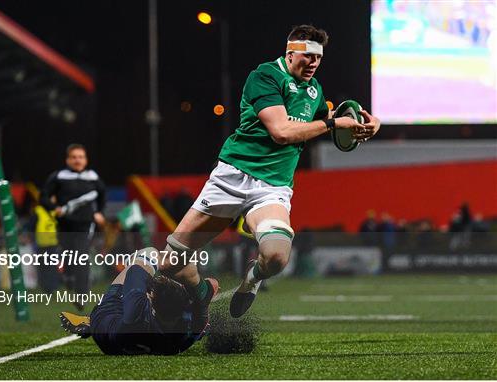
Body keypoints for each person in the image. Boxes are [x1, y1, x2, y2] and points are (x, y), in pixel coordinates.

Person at [158, 25, 381, 322]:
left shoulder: (314, 90)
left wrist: (362, 127)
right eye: (308, 56)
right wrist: (333, 124)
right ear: (290, 53)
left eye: (319, 58)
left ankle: (252, 279)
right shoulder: (265, 76)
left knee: (276, 257)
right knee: (169, 263)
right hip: (231, 178)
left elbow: (325, 123)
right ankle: (201, 292)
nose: (314, 63)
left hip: (272, 187)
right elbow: (282, 132)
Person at [59, 248, 205, 355]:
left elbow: (136, 267)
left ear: (151, 299)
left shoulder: (137, 304)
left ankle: (89, 321)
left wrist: (168, 267)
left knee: (149, 253)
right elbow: (212, 284)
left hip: (105, 327)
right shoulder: (184, 332)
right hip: (132, 342)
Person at [40, 144, 106, 310]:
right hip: (64, 225)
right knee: (69, 256)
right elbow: (44, 197)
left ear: (86, 160)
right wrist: (54, 209)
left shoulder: (93, 177)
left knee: (82, 257)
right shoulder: (59, 176)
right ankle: (68, 277)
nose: (78, 160)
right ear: (67, 159)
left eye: (81, 157)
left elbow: (102, 196)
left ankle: (81, 296)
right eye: (74, 157)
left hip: (85, 225)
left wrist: (98, 212)